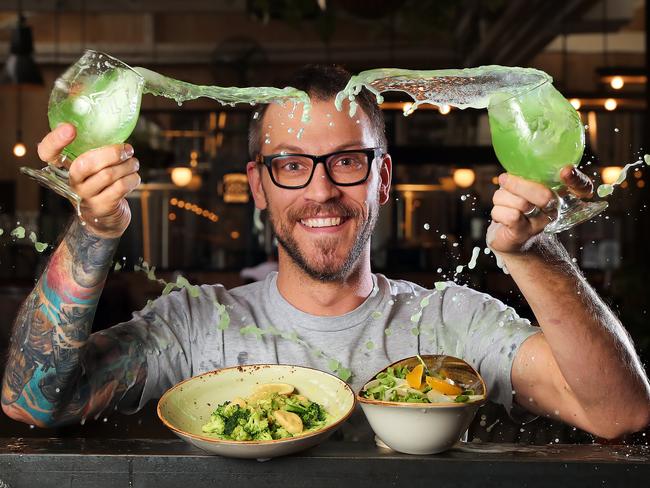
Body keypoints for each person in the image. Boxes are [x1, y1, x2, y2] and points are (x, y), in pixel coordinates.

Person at [2, 65, 649, 439]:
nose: (320, 190)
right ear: (258, 183)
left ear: (383, 179)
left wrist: (535, 252)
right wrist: (93, 229)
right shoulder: (192, 327)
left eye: (345, 161)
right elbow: (31, 401)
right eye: (290, 165)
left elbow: (619, 412)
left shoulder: (453, 322)